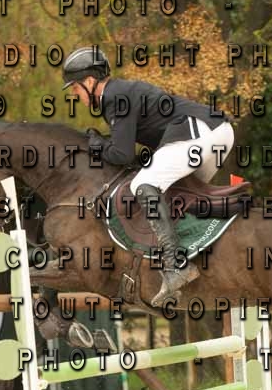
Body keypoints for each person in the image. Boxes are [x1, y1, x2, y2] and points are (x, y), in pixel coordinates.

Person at [62, 46, 235, 307]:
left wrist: (95, 144)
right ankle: (204, 257)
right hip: (216, 132)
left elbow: (121, 155)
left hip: (201, 131)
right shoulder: (120, 93)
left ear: (89, 81)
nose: (75, 94)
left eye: (75, 88)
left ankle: (176, 265)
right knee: (177, 195)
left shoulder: (114, 97)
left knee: (143, 184)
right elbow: (126, 151)